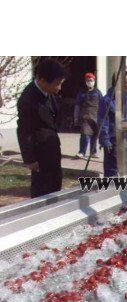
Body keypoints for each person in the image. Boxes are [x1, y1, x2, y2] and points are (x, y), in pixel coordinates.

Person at [17, 59, 67, 198]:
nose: (59, 88)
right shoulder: (28, 99)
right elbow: (23, 130)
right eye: (57, 84)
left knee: (55, 186)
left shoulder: (49, 94)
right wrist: (29, 159)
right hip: (39, 155)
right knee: (42, 190)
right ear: (43, 80)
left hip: (51, 149)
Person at [98, 77, 127, 177]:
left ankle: (124, 191)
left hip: (126, 141)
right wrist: (105, 141)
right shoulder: (107, 100)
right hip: (113, 142)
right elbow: (103, 121)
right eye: (125, 82)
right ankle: (110, 192)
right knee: (112, 172)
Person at [74, 73, 102, 159]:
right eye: (88, 80)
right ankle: (82, 151)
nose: (90, 82)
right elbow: (77, 105)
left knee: (94, 135)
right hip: (85, 117)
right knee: (85, 135)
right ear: (85, 81)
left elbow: (103, 104)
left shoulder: (98, 92)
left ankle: (93, 152)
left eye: (91, 80)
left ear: (94, 81)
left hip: (96, 117)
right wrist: (75, 116)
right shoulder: (82, 93)